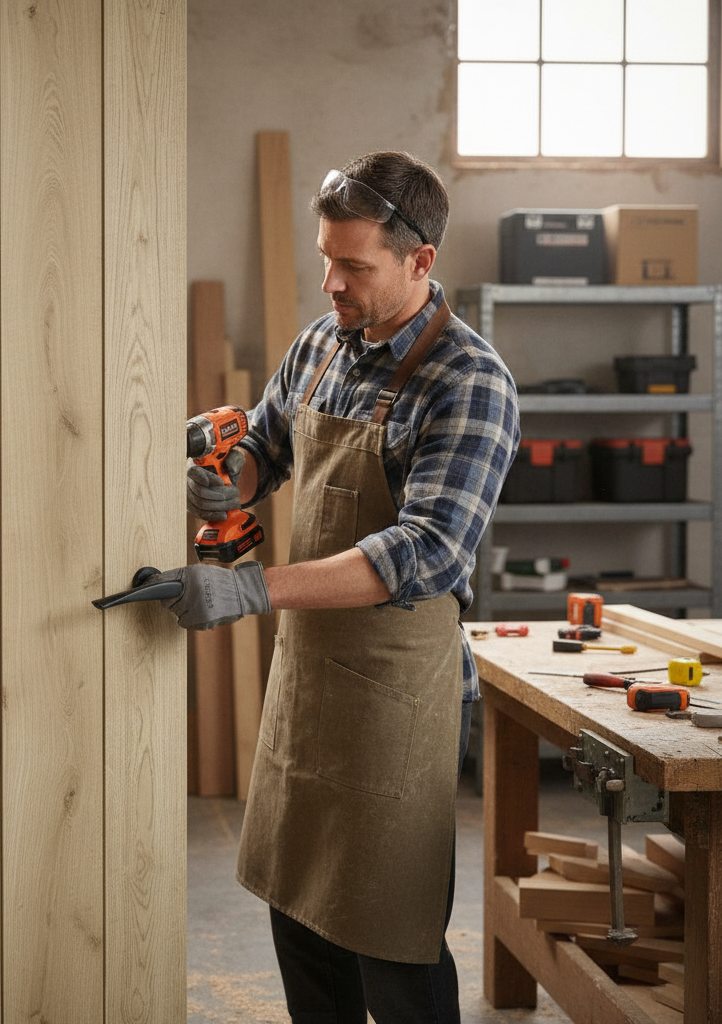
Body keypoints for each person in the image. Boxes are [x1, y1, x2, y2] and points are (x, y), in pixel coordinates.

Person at [156, 151, 520, 1023]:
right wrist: (228, 479)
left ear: (419, 261)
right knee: (300, 920)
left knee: (388, 943)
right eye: (326, 257)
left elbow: (424, 552)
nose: (331, 282)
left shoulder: (469, 382)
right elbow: (269, 451)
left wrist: (251, 592)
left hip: (395, 701)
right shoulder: (321, 345)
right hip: (311, 681)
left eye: (354, 266)